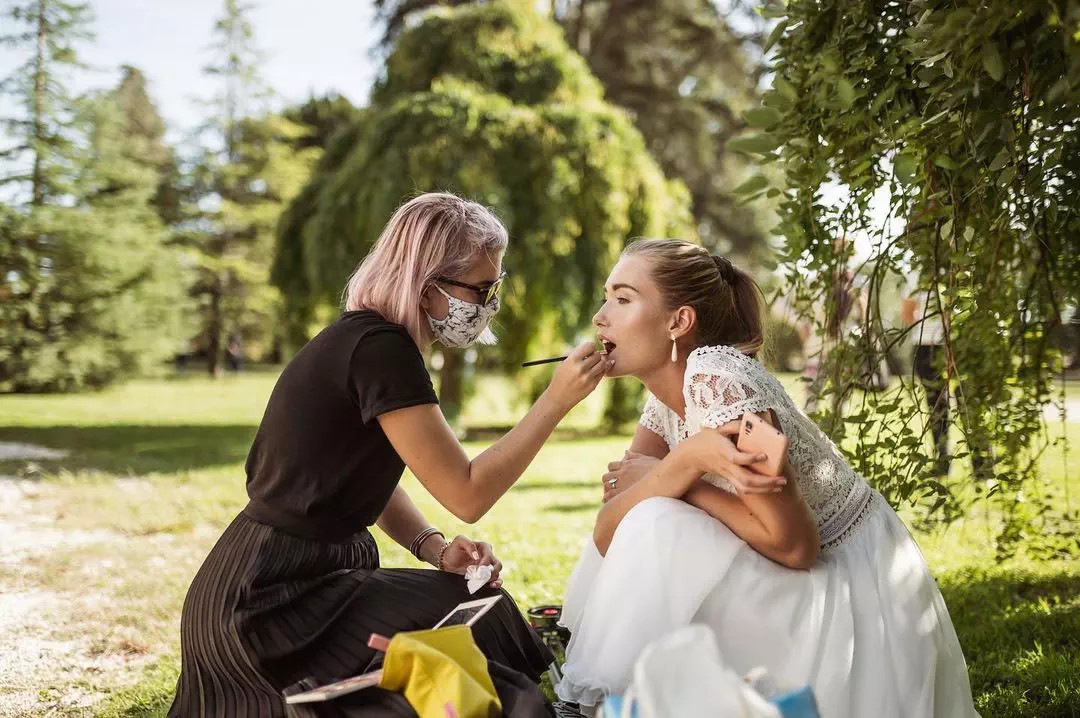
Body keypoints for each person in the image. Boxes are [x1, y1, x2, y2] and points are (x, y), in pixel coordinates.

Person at [170, 193, 613, 717]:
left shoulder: (368, 339)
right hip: (271, 602)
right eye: (481, 287)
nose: (491, 301)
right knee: (453, 650)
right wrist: (555, 401)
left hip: (301, 576)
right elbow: (467, 494)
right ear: (428, 288)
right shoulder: (381, 350)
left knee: (475, 617)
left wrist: (432, 547)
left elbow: (363, 477)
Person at [555, 239, 979, 718]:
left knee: (658, 517)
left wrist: (683, 474)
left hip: (846, 587)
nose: (600, 316)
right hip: (783, 564)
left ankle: (603, 703)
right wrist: (676, 472)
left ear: (679, 322)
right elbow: (610, 534)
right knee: (649, 516)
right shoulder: (663, 395)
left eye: (623, 298)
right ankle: (613, 699)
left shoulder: (722, 383)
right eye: (607, 296)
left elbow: (798, 547)